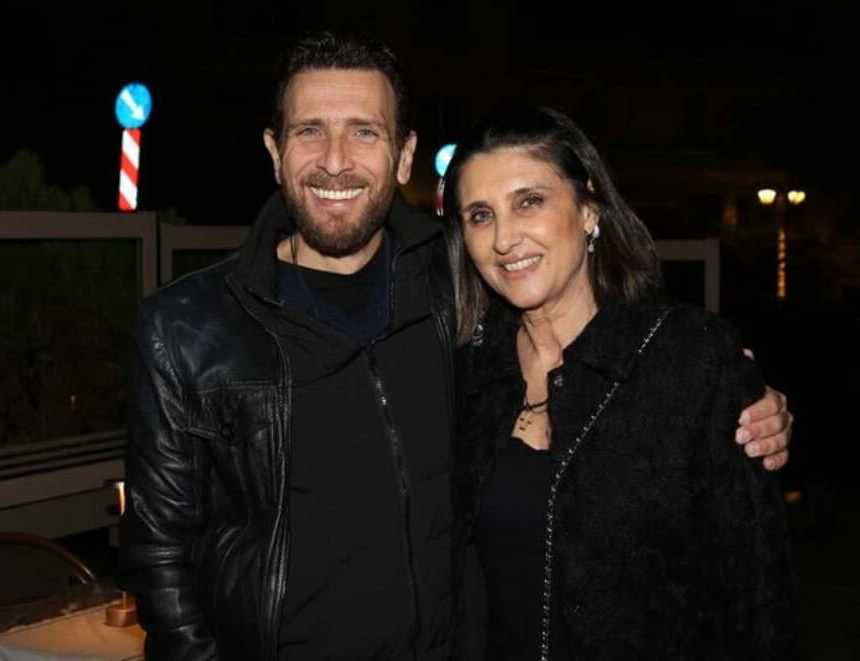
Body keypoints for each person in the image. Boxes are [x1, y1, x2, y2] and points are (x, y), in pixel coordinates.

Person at [119, 32, 793, 660]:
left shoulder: (452, 305)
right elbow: (159, 555)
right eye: (309, 131)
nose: (335, 160)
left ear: (404, 154)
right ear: (274, 151)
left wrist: (739, 396)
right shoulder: (188, 330)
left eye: (364, 131)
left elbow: (749, 587)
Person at [444, 106, 800, 660]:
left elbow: (759, 595)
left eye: (529, 202)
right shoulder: (468, 372)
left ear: (589, 208)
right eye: (480, 215)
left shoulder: (689, 358)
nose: (505, 238)